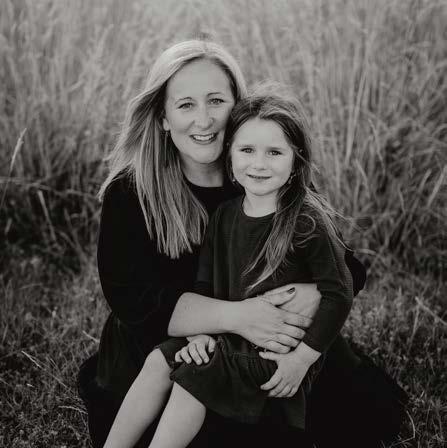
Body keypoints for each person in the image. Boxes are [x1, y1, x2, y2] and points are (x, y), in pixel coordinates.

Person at [77, 38, 407, 448]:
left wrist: (309, 295)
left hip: (263, 340)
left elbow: (346, 266)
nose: (204, 120)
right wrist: (237, 317)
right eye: (186, 105)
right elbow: (134, 299)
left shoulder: (262, 169)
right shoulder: (132, 191)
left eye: (216, 101)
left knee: (354, 411)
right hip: (167, 339)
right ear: (162, 117)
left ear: (238, 106)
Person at [102, 84, 355, 448]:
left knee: (194, 378)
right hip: (225, 338)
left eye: (274, 152)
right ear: (231, 155)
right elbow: (205, 284)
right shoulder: (224, 216)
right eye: (247, 150)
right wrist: (199, 335)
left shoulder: (306, 220)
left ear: (296, 161)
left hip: (274, 353)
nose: (259, 164)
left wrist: (301, 360)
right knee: (159, 361)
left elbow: (339, 292)